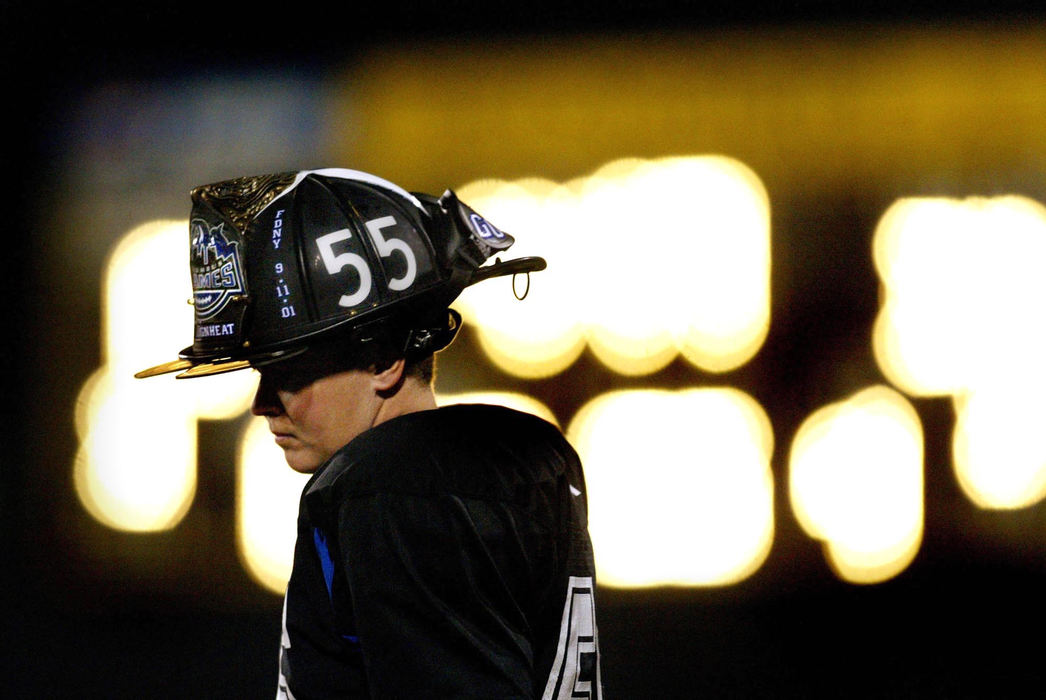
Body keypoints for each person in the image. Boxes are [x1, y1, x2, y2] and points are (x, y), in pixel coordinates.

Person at [136, 168, 603, 698]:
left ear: (384, 357)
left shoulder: (394, 487)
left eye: (289, 371)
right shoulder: (524, 459)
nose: (262, 403)